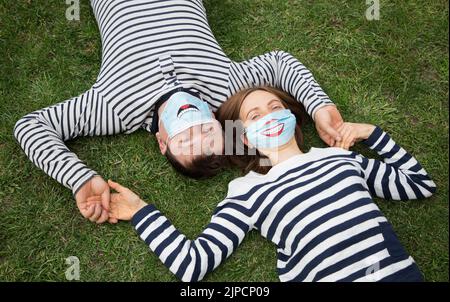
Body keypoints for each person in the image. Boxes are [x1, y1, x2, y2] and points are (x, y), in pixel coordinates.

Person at [13, 0, 343, 224]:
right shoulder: (226, 87)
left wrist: (79, 178)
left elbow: (32, 126)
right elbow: (281, 63)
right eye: (207, 132)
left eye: (185, 139)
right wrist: (319, 107)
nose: (193, 125)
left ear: (162, 142)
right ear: (218, 121)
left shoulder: (114, 108)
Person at [95, 86, 436, 282]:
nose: (270, 115)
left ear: (291, 115)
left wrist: (371, 134)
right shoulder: (246, 192)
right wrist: (141, 212)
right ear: (240, 136)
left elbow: (420, 184)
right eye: (255, 116)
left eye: (275, 107)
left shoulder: (341, 159)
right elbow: (193, 263)